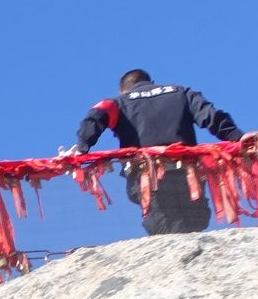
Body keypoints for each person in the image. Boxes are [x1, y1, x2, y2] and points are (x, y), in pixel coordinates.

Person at [61, 69, 244, 236]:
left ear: (122, 90)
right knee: (195, 223)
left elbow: (94, 118)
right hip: (187, 173)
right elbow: (211, 116)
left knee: (162, 227)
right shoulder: (181, 93)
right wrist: (238, 137)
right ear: (152, 82)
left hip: (148, 176)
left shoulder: (118, 102)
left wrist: (82, 147)